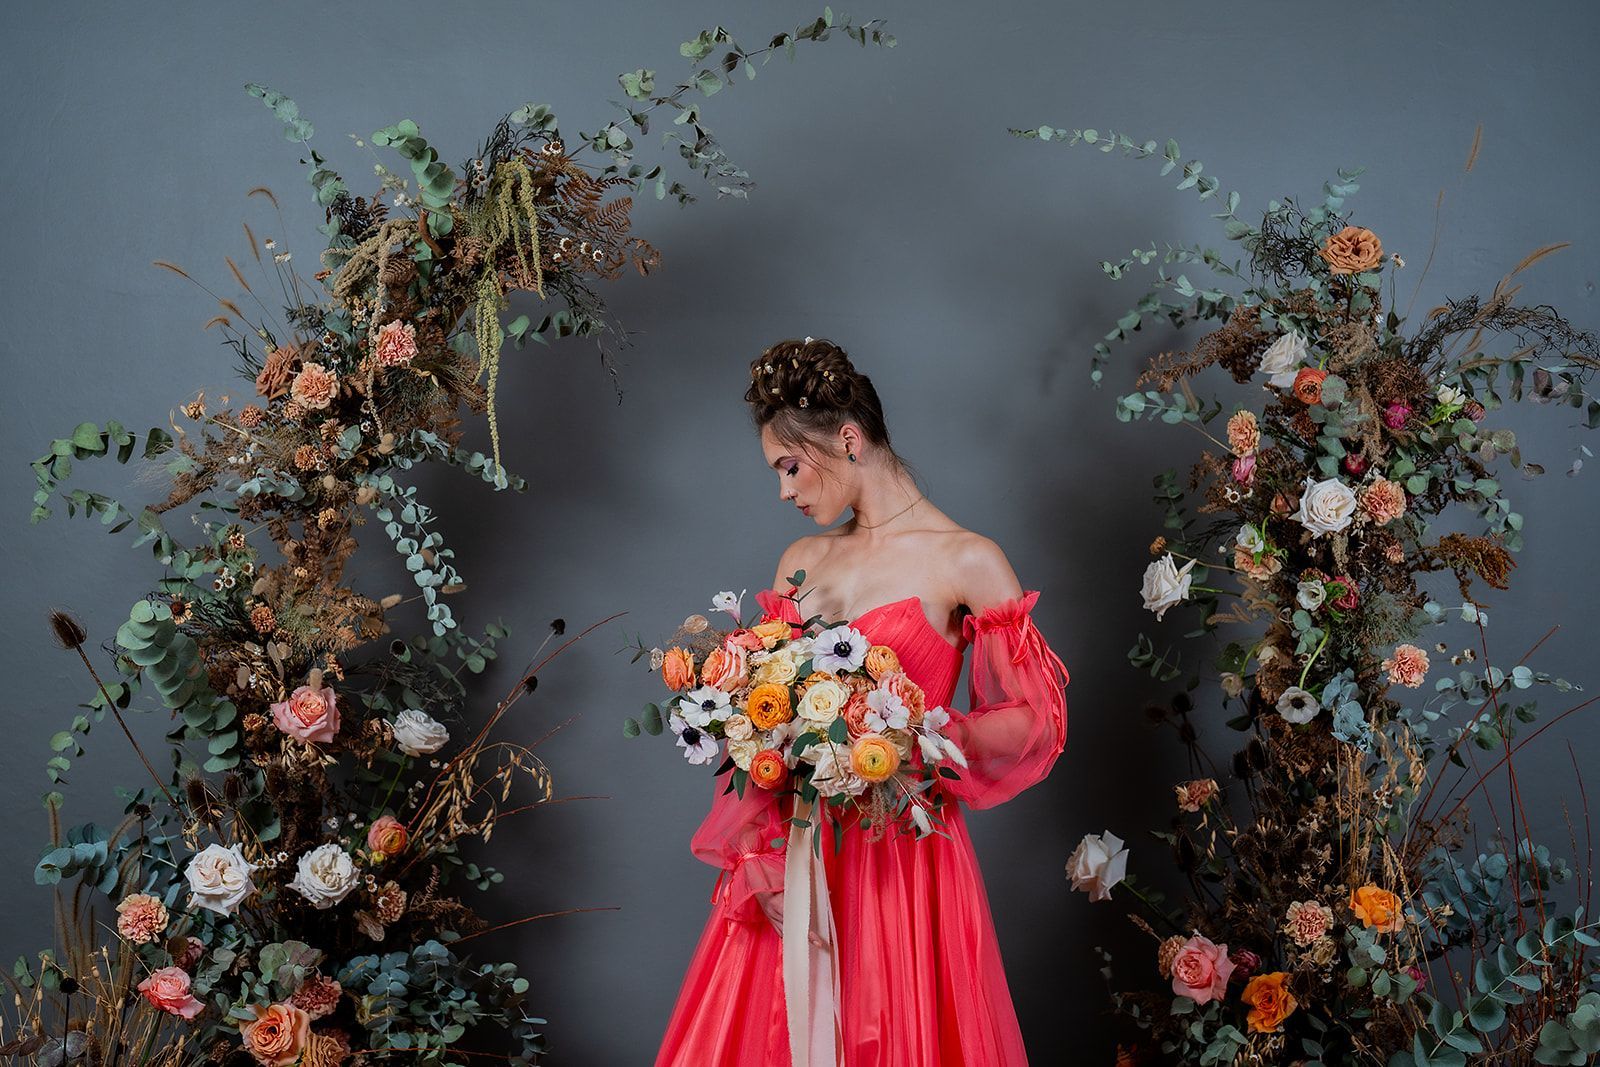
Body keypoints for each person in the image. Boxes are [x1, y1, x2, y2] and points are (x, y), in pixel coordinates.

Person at [655, 338, 1070, 1066]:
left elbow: (1037, 719)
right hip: (802, 850)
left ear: (849, 439)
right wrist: (756, 850)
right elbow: (762, 723)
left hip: (902, 862)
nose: (785, 491)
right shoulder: (799, 562)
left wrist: (920, 739)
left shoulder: (966, 558)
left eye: (790, 466)